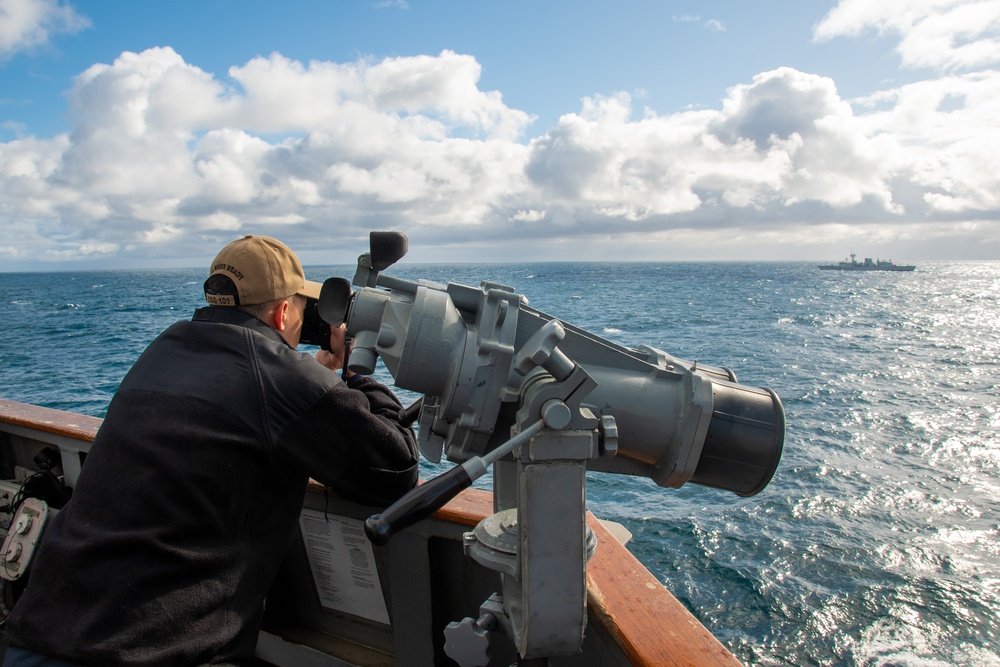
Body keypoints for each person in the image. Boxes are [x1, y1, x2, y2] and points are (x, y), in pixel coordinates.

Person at [3, 235, 419, 666]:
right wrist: (352, 368)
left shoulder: (164, 348)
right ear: (282, 312)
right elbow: (397, 468)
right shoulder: (284, 378)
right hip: (149, 652)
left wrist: (310, 381)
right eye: (301, 310)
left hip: (41, 632)